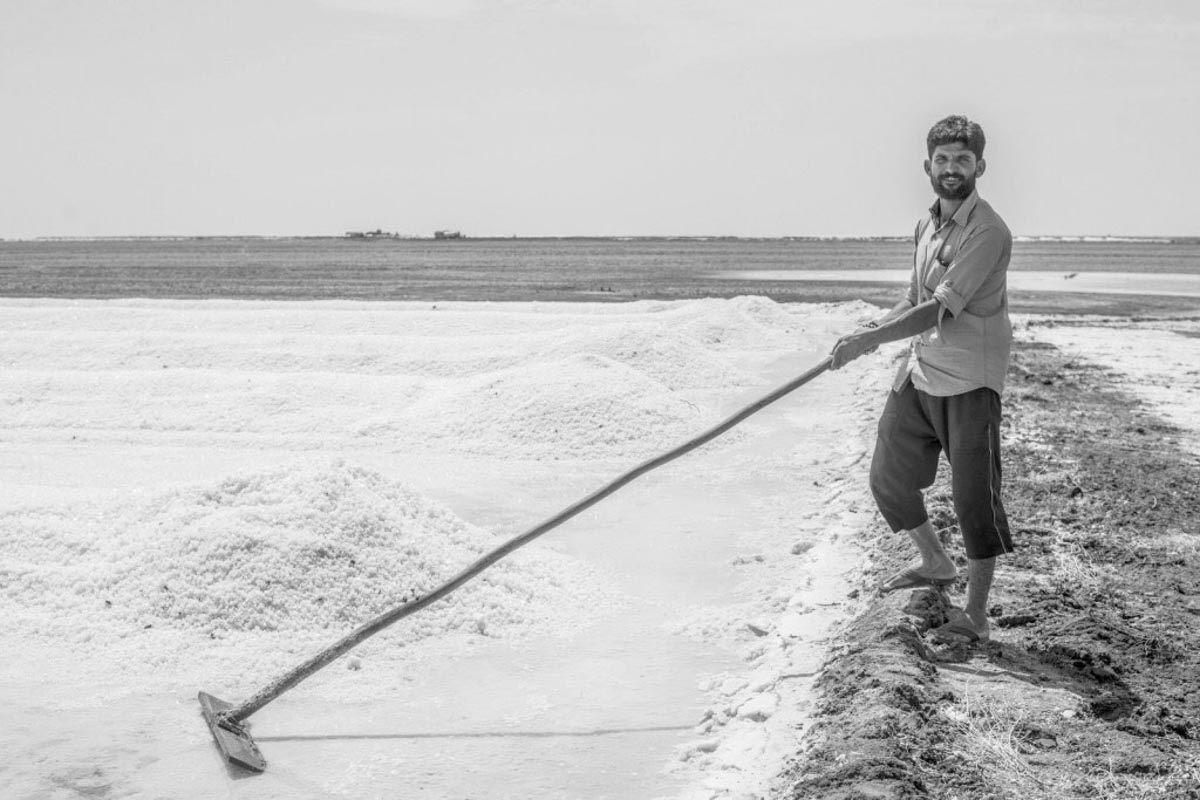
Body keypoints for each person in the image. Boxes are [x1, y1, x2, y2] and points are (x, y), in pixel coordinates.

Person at [829, 114, 1014, 644]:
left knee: (974, 500)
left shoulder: (987, 230)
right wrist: (871, 327)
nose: (951, 168)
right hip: (922, 369)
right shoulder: (926, 224)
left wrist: (871, 341)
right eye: (942, 159)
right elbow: (911, 300)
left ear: (980, 165)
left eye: (962, 159)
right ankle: (935, 561)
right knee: (887, 475)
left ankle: (976, 616)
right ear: (926, 166)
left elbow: (938, 309)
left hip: (971, 379)